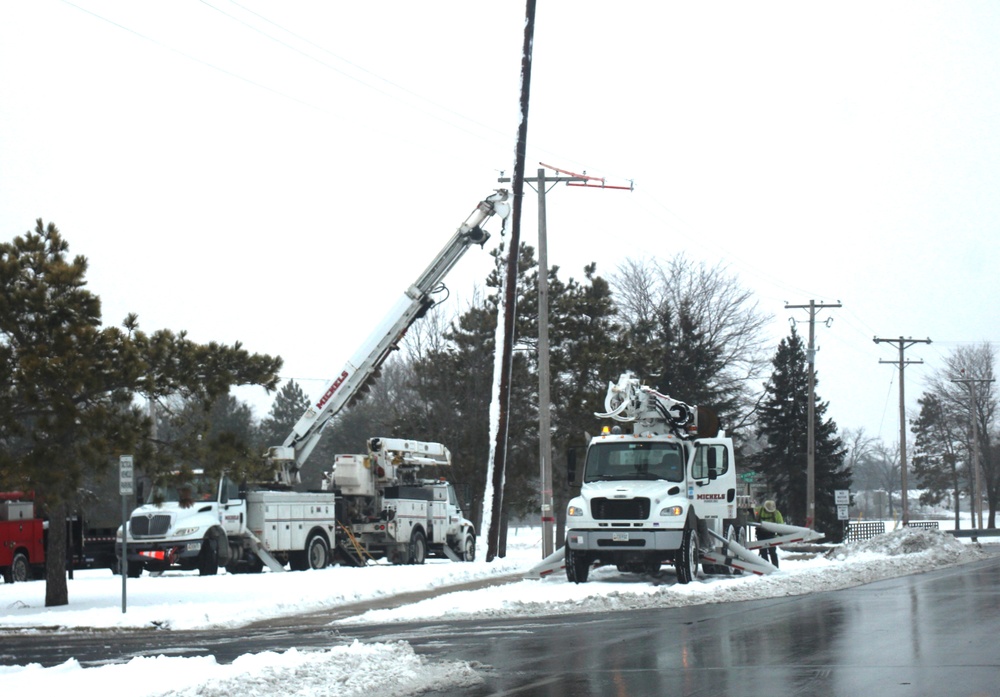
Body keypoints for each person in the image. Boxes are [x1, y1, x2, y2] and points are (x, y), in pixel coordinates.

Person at [755, 499, 784, 567]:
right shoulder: (759, 511)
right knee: (764, 552)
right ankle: (768, 567)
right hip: (761, 534)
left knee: (771, 552)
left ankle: (773, 567)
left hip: (770, 535)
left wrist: (779, 533)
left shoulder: (776, 514)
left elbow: (781, 525)